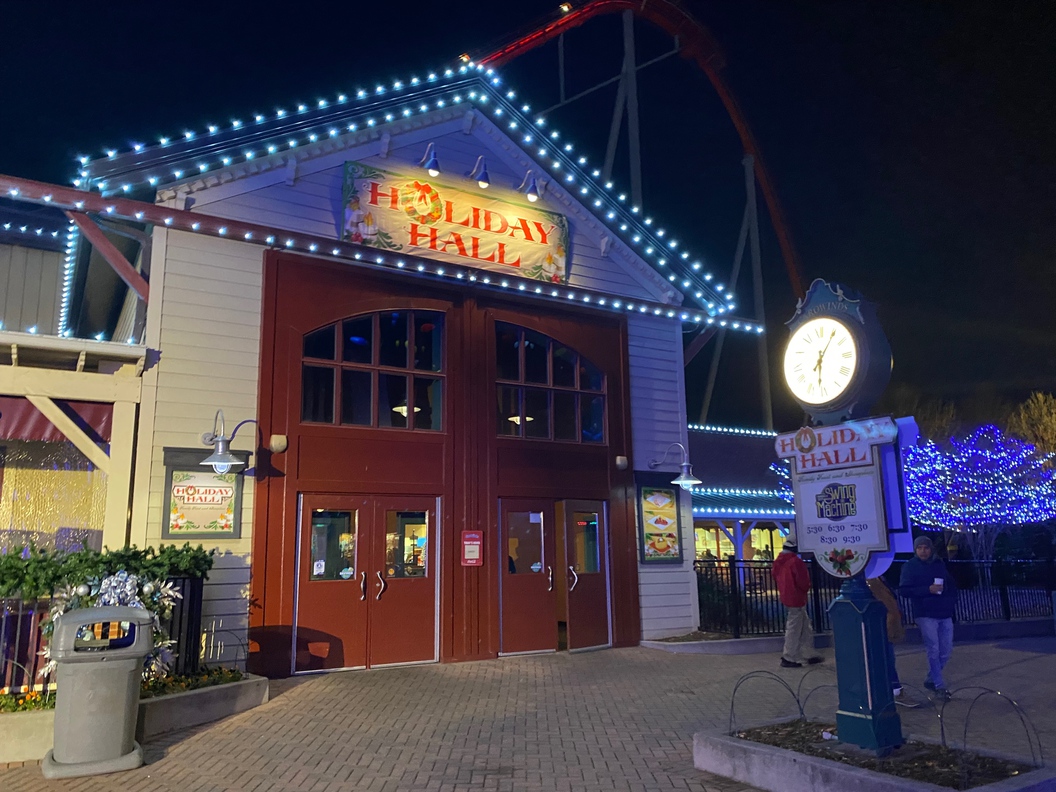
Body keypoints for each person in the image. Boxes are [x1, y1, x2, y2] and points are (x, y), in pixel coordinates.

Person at [899, 535, 958, 700]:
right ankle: (939, 685)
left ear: (930, 549)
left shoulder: (939, 564)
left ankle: (931, 678)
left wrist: (949, 599)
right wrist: (927, 590)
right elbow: (904, 590)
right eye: (919, 548)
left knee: (946, 650)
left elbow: (951, 584)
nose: (923, 551)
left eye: (925, 548)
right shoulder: (910, 567)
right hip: (925, 613)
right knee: (933, 649)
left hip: (944, 612)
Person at [772, 539, 823, 668]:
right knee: (795, 628)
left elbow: (775, 575)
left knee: (804, 626)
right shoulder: (796, 562)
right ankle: (789, 656)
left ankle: (808, 654)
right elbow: (803, 582)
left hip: (787, 596)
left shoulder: (779, 561)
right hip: (797, 598)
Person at [866, 576, 905, 697]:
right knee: (886, 656)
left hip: (884, 625)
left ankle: (893, 685)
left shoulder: (876, 580)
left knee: (886, 656)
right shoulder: (874, 581)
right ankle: (893, 685)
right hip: (882, 626)